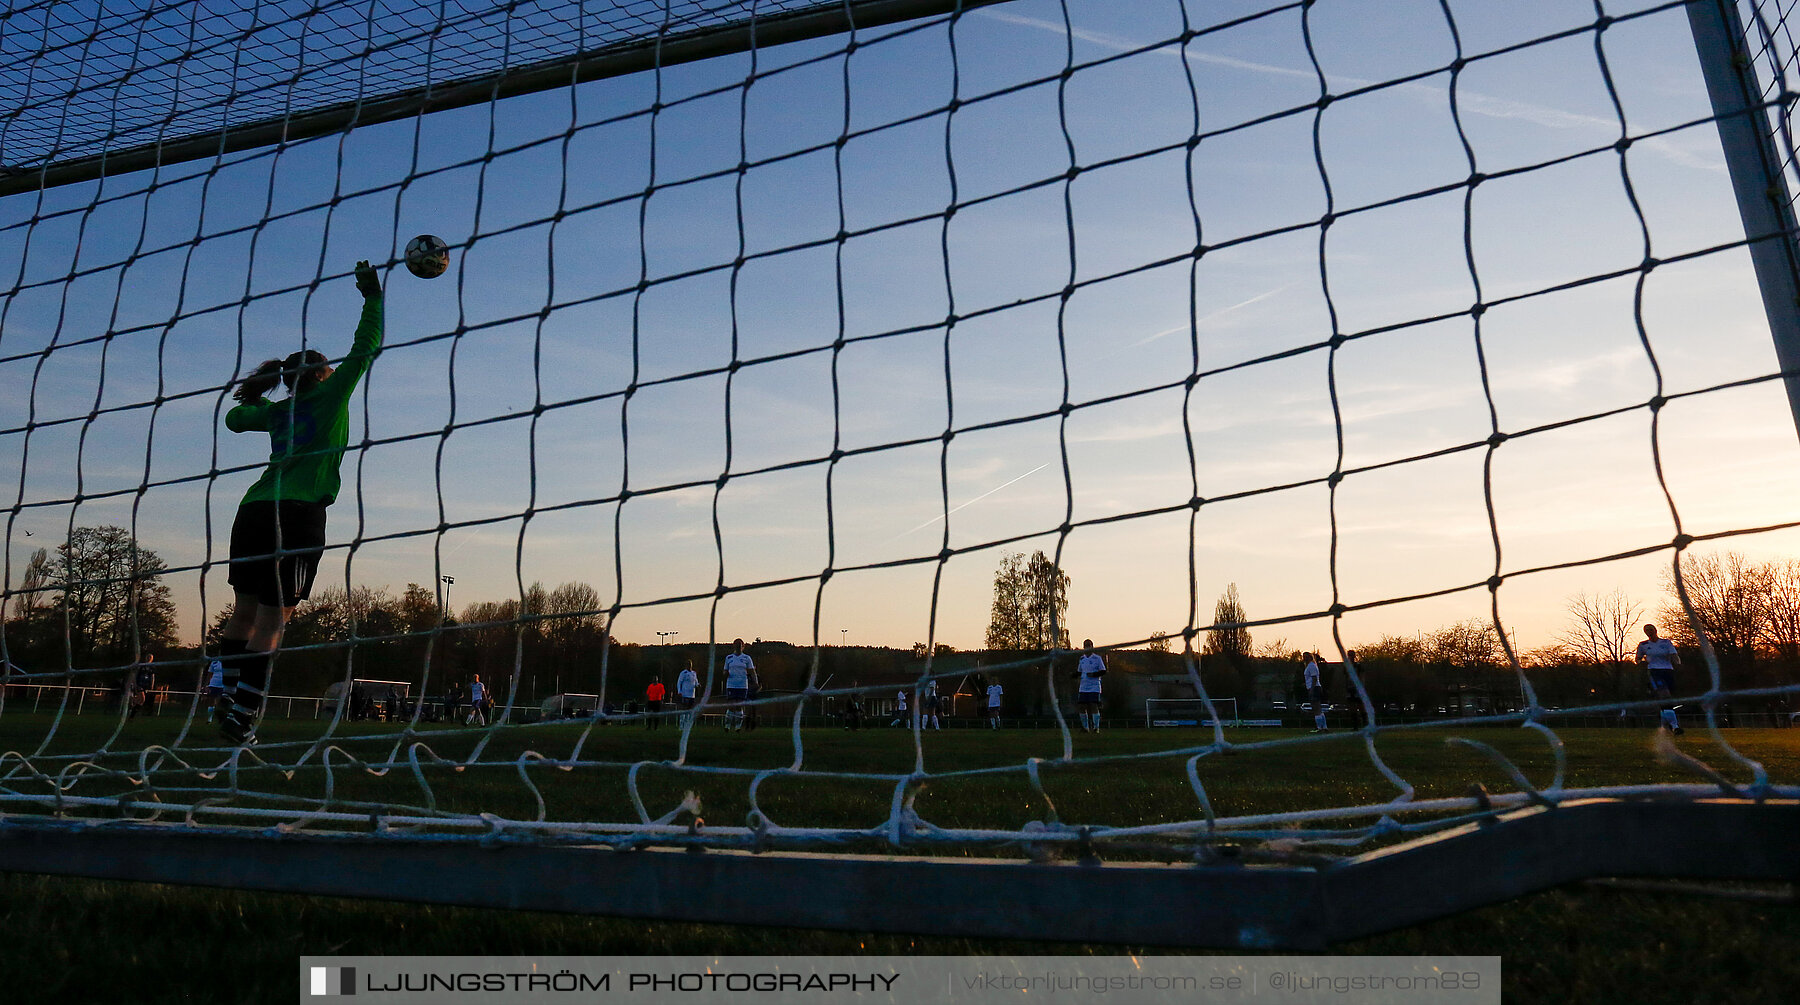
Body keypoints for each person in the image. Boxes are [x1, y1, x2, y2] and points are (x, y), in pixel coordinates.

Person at [216, 260, 383, 745]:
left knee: (243, 611)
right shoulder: (331, 397)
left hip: (252, 512)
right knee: (275, 617)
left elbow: (234, 420)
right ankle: (244, 715)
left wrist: (256, 400)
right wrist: (372, 297)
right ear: (322, 375)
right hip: (297, 515)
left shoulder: (279, 411)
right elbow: (365, 346)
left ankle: (228, 696)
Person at [1636, 624, 1683, 735]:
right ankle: (1675, 726)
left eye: (1651, 630)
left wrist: (1679, 664)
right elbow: (1637, 659)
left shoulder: (1666, 643)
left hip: (1668, 671)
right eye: (1646, 630)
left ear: (1655, 630)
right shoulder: (1643, 645)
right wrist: (1640, 662)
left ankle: (1664, 725)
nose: (1649, 632)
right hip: (1654, 672)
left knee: (1667, 699)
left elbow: (1674, 655)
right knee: (1664, 696)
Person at [1073, 639, 1106, 733]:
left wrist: (1094, 674)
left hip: (1094, 686)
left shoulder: (1097, 658)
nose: (1087, 647)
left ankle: (1096, 728)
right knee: (1081, 706)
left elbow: (1103, 671)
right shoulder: (1082, 659)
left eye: (1089, 645)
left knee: (1093, 705)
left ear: (1092, 647)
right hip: (1083, 686)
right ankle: (1085, 727)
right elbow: (1079, 671)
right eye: (1085, 645)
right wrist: (1074, 675)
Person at [723, 639, 755, 731]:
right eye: (736, 645)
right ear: (734, 646)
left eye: (740, 645)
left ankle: (738, 726)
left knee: (739, 705)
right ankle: (727, 725)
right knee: (731, 705)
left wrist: (755, 681)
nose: (738, 647)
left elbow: (752, 671)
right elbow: (725, 670)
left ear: (743, 646)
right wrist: (725, 673)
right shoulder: (729, 658)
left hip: (742, 685)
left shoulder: (747, 658)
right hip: (731, 684)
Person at [126, 654, 156, 720]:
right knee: (142, 699)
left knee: (141, 701)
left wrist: (152, 685)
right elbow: (136, 675)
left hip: (146, 685)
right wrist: (135, 684)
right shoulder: (141, 666)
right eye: (148, 657)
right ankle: (131, 702)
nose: (149, 658)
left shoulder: (152, 667)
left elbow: (152, 676)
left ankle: (131, 713)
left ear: (152, 659)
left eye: (150, 657)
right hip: (140, 684)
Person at [1304, 652, 1327, 733]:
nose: (1304, 658)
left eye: (1306, 657)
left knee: (1316, 708)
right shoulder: (1310, 666)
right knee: (1319, 708)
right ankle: (1324, 727)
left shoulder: (1311, 666)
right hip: (1314, 687)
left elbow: (1314, 678)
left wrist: (1311, 689)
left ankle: (1319, 727)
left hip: (1314, 688)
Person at [204, 651, 226, 722]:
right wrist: (206, 685)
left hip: (223, 685)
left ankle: (222, 718)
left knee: (221, 702)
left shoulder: (229, 661)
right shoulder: (214, 662)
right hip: (213, 684)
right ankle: (209, 718)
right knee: (211, 701)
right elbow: (210, 674)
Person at [676, 660, 699, 726]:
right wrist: (679, 691)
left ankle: (687, 725)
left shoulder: (694, 673)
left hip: (692, 695)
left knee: (690, 710)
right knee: (684, 709)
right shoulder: (683, 673)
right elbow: (679, 682)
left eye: (690, 664)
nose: (689, 666)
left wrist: (698, 685)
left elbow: (696, 682)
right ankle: (681, 725)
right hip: (685, 694)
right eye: (688, 664)